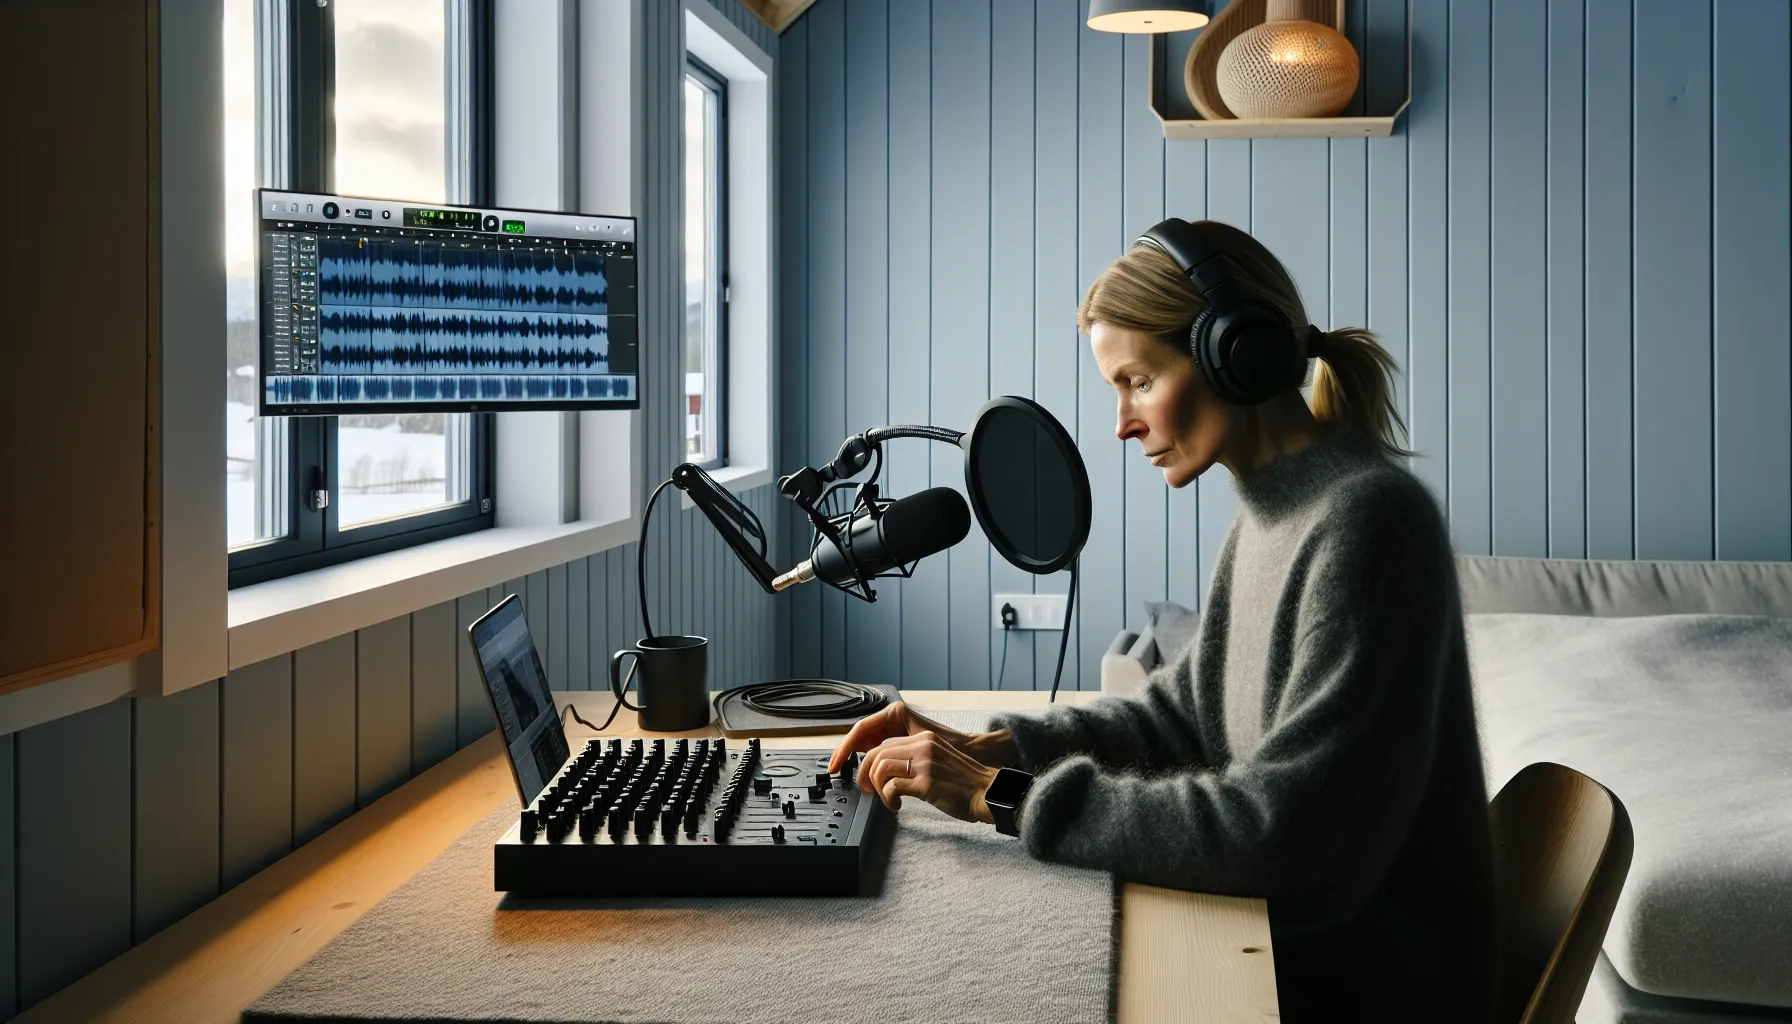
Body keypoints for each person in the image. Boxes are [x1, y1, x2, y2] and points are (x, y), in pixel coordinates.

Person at [828, 219, 1497, 1022]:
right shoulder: (1267, 519)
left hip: (1360, 988)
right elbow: (1183, 718)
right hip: (1301, 958)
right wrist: (996, 748)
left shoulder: (1368, 522)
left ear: (1234, 355)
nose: (1122, 423)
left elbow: (1293, 841)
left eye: (1139, 381)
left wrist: (999, 796)